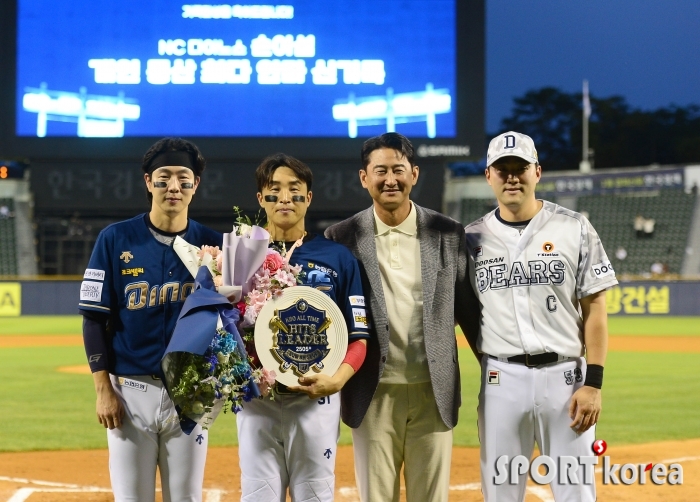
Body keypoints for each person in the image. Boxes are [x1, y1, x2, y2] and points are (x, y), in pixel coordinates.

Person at [464, 131, 617, 501]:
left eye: (521, 168)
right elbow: (465, 312)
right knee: (500, 491)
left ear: (538, 172)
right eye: (503, 169)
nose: (512, 177)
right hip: (501, 381)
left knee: (576, 492)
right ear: (489, 175)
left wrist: (593, 382)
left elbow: (595, 307)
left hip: (566, 381)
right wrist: (486, 358)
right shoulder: (471, 239)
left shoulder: (574, 226)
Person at [325, 132, 475, 502]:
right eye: (380, 171)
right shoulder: (340, 237)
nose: (390, 179)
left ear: (414, 174)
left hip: (433, 390)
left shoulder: (448, 233)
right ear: (364, 178)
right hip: (371, 392)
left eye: (398, 169)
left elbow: (470, 311)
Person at [78, 138, 223, 502]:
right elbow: (93, 320)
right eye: (164, 177)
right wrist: (102, 390)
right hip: (129, 394)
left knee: (186, 498)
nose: (174, 186)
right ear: (148, 182)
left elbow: (230, 322)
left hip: (191, 392)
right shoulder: (115, 239)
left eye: (183, 178)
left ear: (195, 185)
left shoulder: (214, 246)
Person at [236, 153, 370, 502]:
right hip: (258, 404)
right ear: (260, 199)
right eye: (274, 190)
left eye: (294, 190)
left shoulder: (338, 258)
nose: (284, 198)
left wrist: (336, 381)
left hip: (316, 403)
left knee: (315, 497)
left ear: (308, 198)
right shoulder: (239, 256)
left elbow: (359, 336)